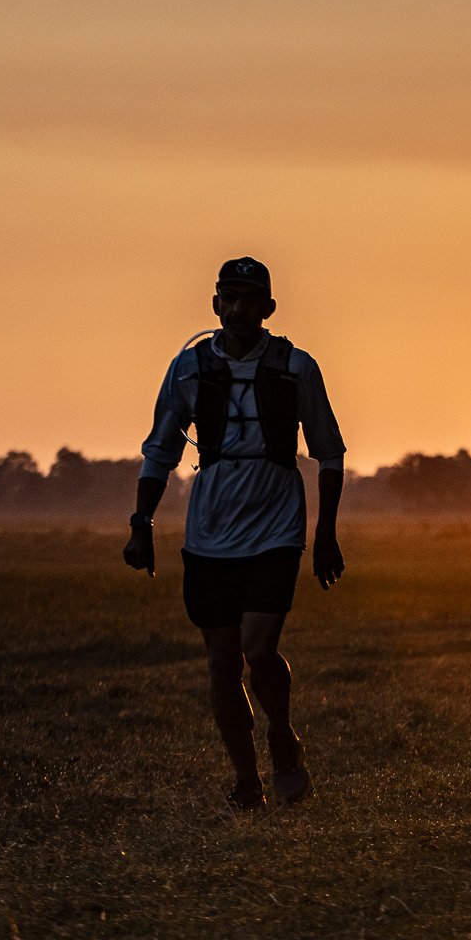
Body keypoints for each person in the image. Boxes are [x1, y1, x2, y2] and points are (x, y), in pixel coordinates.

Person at [124, 256, 348, 814]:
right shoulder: (189, 369)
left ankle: (282, 734)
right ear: (216, 304)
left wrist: (326, 535)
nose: (241, 309)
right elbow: (160, 450)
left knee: (258, 647)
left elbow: (329, 451)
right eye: (231, 298)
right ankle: (247, 781)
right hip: (210, 530)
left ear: (269, 308)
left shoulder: (297, 367)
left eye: (252, 299)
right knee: (222, 662)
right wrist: (141, 522)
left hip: (276, 525)